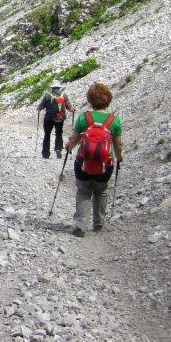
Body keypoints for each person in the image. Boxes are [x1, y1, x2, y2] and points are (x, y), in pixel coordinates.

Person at [66, 81, 124, 237]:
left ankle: (80, 226)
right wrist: (119, 158)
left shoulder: (84, 118)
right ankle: (98, 224)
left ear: (90, 100)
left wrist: (68, 148)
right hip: (105, 166)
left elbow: (73, 140)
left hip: (83, 163)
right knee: (101, 191)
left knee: (83, 192)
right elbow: (118, 145)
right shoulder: (114, 121)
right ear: (108, 99)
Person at [37, 81, 73, 159]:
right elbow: (69, 107)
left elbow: (41, 106)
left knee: (47, 134)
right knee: (59, 133)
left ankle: (46, 154)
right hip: (60, 117)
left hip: (49, 118)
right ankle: (58, 148)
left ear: (52, 88)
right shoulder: (64, 95)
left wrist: (39, 108)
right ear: (59, 87)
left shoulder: (47, 96)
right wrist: (72, 109)